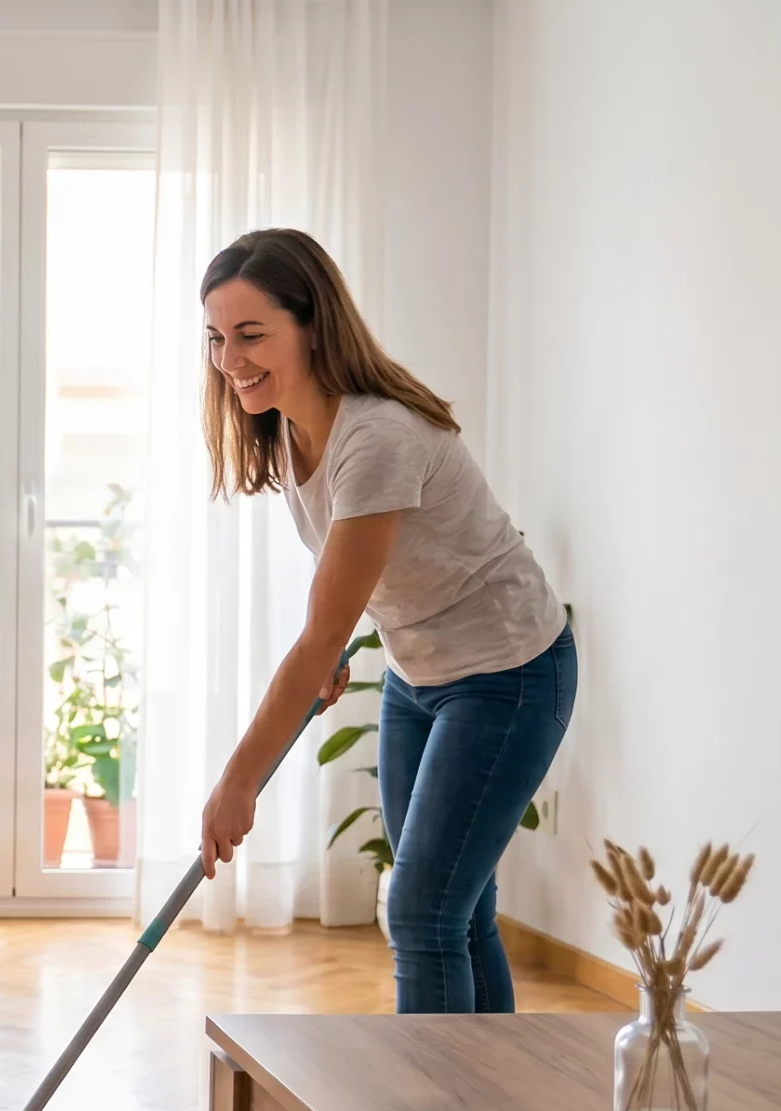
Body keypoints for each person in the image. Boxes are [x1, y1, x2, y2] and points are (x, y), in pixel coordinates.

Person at [194, 228, 574, 1013]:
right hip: (418, 671)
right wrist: (340, 635)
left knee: (421, 909)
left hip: (509, 672)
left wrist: (238, 782)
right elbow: (358, 568)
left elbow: (319, 634)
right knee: (456, 910)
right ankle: (488, 1102)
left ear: (312, 325)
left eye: (252, 335)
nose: (230, 360)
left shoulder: (378, 436)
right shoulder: (292, 428)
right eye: (217, 338)